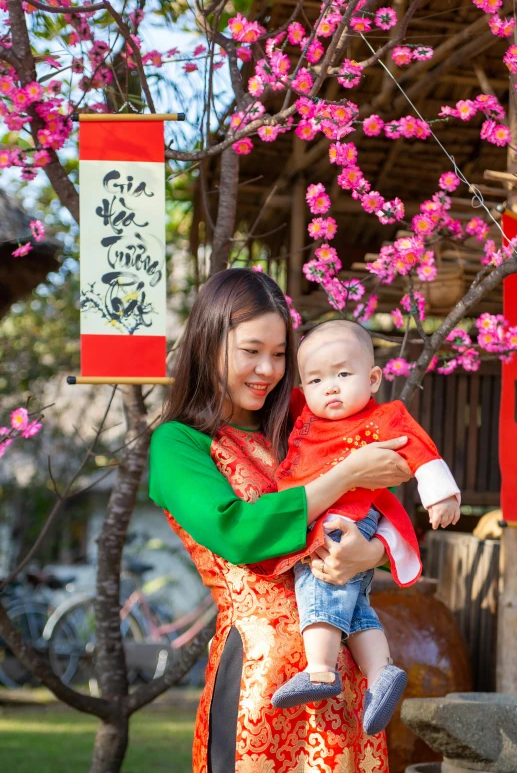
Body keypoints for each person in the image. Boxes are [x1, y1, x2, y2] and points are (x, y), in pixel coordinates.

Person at [149, 268, 413, 773]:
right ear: (208, 343)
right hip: (259, 673)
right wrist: (344, 474)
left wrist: (372, 553)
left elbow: (381, 496)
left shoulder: (303, 419)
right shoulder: (178, 443)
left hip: (343, 671)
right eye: (251, 351)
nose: (267, 369)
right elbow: (238, 531)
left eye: (278, 354)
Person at [265, 320, 460, 735]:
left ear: (373, 379)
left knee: (318, 581)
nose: (330, 387)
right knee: (354, 606)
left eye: (342, 374)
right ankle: (380, 671)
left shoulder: (383, 418)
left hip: (344, 516)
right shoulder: (308, 414)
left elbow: (419, 448)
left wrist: (440, 493)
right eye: (316, 379)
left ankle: (319, 671)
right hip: (334, 512)